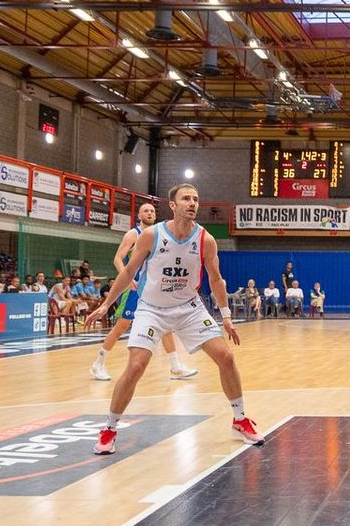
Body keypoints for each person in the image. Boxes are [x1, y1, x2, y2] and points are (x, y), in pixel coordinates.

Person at [85, 183, 264, 453]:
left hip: (189, 308)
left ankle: (239, 419)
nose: (192, 203)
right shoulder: (151, 235)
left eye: (195, 199)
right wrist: (106, 304)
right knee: (136, 366)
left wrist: (226, 316)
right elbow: (129, 271)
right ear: (172, 205)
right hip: (151, 308)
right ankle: (109, 427)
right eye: (186, 198)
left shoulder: (205, 239)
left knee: (226, 357)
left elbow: (216, 279)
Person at [90, 203, 196, 382]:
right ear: (139, 215)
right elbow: (117, 258)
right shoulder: (134, 234)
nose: (150, 213)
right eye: (146, 211)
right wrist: (128, 277)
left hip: (152, 288)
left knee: (166, 326)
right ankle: (98, 363)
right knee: (121, 326)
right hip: (134, 288)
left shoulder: (158, 233)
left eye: (152, 211)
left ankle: (175, 366)